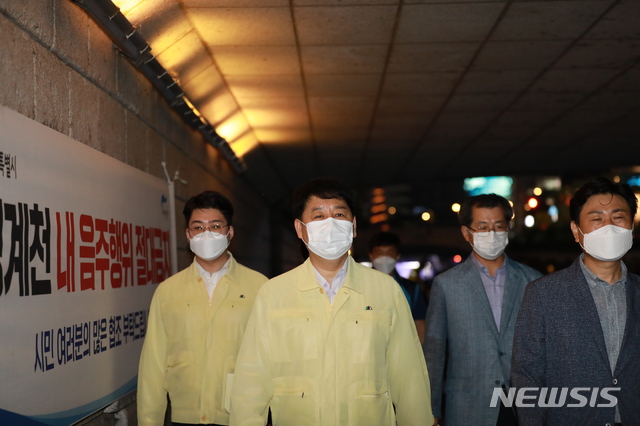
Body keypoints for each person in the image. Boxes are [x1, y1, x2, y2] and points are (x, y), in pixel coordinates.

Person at [230, 177, 433, 425]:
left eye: (339, 214)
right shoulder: (273, 293)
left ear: (354, 226)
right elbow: (252, 378)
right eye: (318, 216)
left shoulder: (385, 290)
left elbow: (409, 374)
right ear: (299, 228)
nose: (330, 224)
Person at [511, 178, 640, 425]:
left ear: (631, 227)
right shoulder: (543, 294)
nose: (609, 227)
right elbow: (527, 374)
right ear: (575, 230)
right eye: (597, 219)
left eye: (618, 217)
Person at [137, 191, 268, 426]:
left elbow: (271, 359)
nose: (206, 233)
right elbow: (153, 366)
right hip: (184, 418)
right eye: (198, 228)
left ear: (230, 232)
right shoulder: (168, 291)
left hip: (242, 417)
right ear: (188, 235)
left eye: (216, 226)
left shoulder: (260, 287)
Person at [424, 193, 542, 426]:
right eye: (483, 227)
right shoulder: (446, 284)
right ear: (467, 232)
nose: (492, 234)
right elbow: (434, 352)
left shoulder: (533, 280)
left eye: (498, 226)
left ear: (508, 228)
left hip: (523, 404)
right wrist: (431, 408)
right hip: (468, 403)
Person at [369, 231, 428, 343]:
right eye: (379, 252)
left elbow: (420, 324)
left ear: (398, 255)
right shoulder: (358, 286)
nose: (384, 258)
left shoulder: (411, 289)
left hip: (402, 352)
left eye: (389, 253)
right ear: (371, 255)